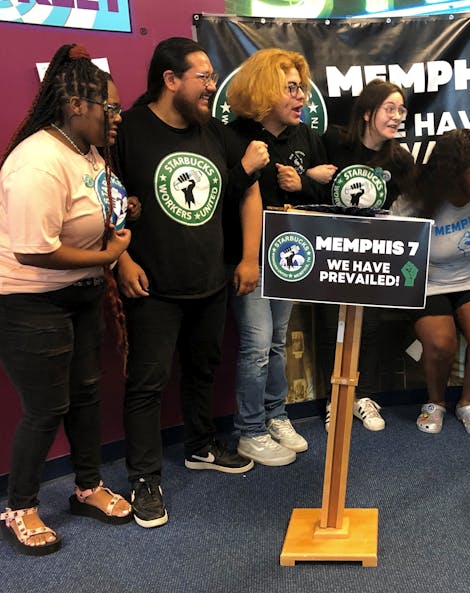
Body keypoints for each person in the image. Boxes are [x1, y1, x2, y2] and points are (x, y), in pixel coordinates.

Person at [115, 37, 262, 528]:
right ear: (170, 79)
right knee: (147, 384)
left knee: (203, 369)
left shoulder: (214, 132)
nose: (211, 85)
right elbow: (102, 199)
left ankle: (200, 446)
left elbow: (247, 189)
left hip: (209, 282)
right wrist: (121, 261)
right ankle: (143, 478)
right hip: (151, 286)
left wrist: (245, 257)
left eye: (211, 76)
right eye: (202, 76)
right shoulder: (129, 131)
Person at [0, 44, 133, 555]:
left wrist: (113, 244)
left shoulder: (87, 152)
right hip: (32, 304)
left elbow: (96, 209)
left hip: (80, 297)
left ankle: (87, 487)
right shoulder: (37, 161)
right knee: (45, 408)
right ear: (78, 104)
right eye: (111, 108)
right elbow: (36, 251)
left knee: (86, 395)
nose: (117, 117)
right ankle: (20, 507)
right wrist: (108, 255)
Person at [223, 48, 333, 466]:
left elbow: (324, 196)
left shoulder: (304, 136)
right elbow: (223, 199)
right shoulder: (232, 137)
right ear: (265, 89)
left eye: (302, 88)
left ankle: (275, 415)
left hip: (289, 254)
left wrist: (302, 182)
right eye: (291, 88)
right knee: (254, 343)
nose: (301, 96)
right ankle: (249, 429)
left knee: (275, 341)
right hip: (247, 255)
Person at [318, 78, 417, 432]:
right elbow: (306, 183)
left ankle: (364, 397)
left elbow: (421, 202)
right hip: (331, 252)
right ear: (366, 112)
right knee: (334, 326)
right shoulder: (333, 142)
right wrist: (311, 176)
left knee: (372, 326)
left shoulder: (400, 160)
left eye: (401, 110)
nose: (396, 116)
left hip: (374, 255)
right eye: (389, 108)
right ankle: (336, 400)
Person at [391, 129, 470, 435]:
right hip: (429, 280)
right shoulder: (415, 201)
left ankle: (468, 403)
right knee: (440, 344)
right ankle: (435, 402)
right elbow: (393, 248)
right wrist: (408, 287)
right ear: (455, 169)